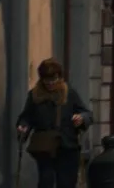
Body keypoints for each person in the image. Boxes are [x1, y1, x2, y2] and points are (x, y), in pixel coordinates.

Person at [15, 59, 92, 188]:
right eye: (47, 79)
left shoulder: (69, 93)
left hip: (67, 145)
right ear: (41, 79)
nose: (50, 83)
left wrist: (81, 118)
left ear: (59, 77)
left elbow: (87, 113)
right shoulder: (34, 96)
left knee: (66, 182)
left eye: (53, 79)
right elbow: (26, 117)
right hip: (45, 147)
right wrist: (23, 127)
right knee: (46, 180)